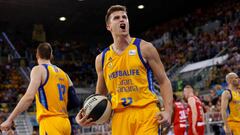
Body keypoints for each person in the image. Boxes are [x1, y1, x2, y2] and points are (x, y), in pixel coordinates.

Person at [76, 5, 173, 135]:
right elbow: (100, 95)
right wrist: (86, 113)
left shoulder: (145, 48)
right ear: (108, 26)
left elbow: (164, 81)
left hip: (147, 113)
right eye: (116, 18)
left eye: (124, 17)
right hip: (119, 117)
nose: (122, 20)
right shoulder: (102, 59)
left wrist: (168, 111)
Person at [0, 42, 80, 135]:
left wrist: (10, 119)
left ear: (37, 55)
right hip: (65, 123)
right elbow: (75, 102)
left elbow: (29, 97)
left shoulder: (38, 69)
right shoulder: (64, 74)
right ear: (51, 55)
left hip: (50, 122)